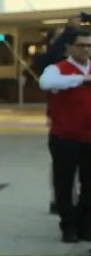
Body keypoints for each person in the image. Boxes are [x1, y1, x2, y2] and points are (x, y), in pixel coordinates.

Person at [41, 27, 91, 242]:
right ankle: (68, 225)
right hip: (65, 137)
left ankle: (84, 224)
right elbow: (45, 83)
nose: (86, 49)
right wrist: (80, 80)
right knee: (65, 184)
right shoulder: (57, 69)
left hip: (89, 138)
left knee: (89, 185)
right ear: (69, 47)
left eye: (89, 45)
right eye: (81, 45)